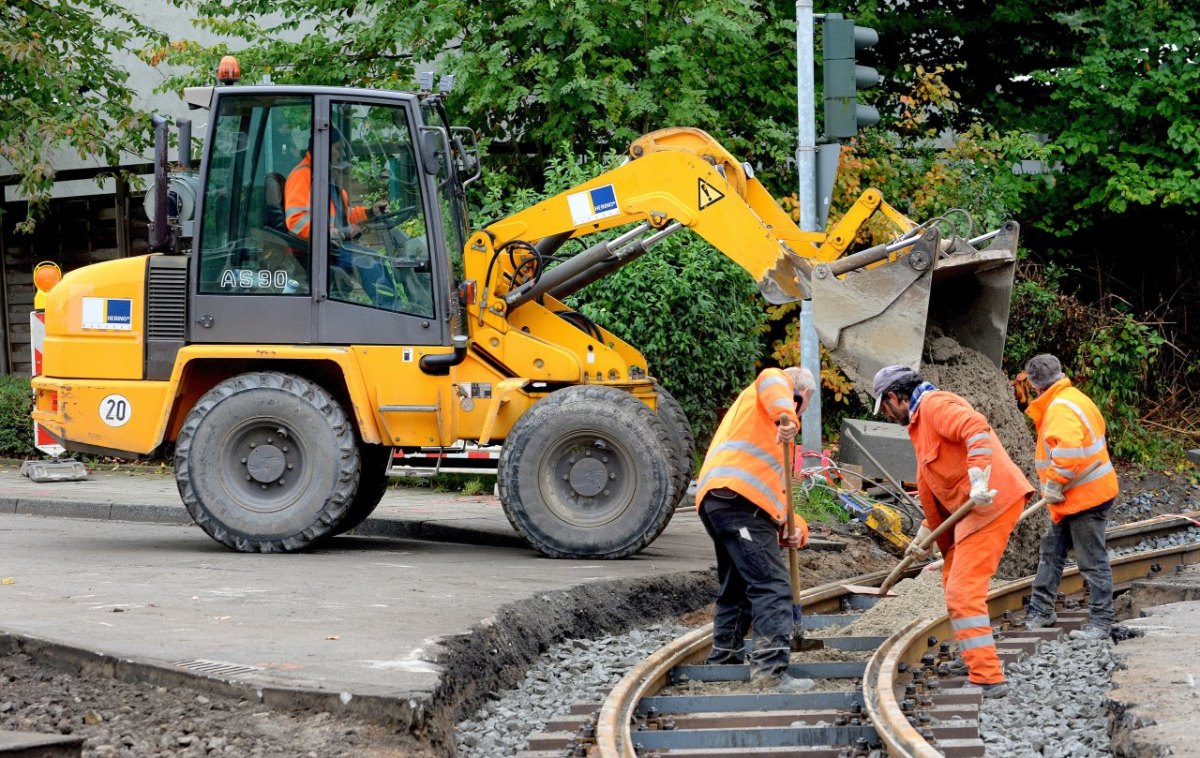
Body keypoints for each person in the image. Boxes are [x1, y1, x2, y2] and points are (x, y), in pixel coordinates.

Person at [872, 365, 1034, 698]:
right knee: (951, 582)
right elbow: (939, 483)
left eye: (885, 407)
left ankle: (988, 676)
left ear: (893, 397)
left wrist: (978, 478)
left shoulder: (934, 405)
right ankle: (970, 655)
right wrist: (924, 536)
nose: (886, 415)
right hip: (971, 508)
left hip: (989, 502)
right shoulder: (919, 424)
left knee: (963, 591)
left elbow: (975, 428)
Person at [694, 366, 816, 693]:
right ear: (800, 395)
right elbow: (774, 379)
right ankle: (770, 673)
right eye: (805, 403)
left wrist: (797, 530)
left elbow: (780, 497)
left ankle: (725, 657)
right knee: (772, 585)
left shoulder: (764, 432)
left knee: (737, 584)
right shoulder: (777, 392)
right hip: (738, 501)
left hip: (723, 501)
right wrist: (787, 415)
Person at [1021, 354, 1119, 641]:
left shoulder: (1059, 409)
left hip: (1085, 497)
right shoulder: (1074, 397)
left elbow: (1070, 451)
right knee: (1051, 548)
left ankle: (1101, 623)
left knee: (1091, 559)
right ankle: (1041, 610)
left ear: (1035, 387)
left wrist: (1054, 482)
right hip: (1075, 495)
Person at [284, 129, 389, 298]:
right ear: (324, 147)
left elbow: (344, 215)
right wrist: (327, 231)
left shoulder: (324, 176)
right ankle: (389, 310)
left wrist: (370, 212)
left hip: (334, 246)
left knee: (376, 258)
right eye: (338, 148)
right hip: (316, 251)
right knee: (368, 261)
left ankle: (390, 307)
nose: (342, 153)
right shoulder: (302, 176)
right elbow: (295, 221)